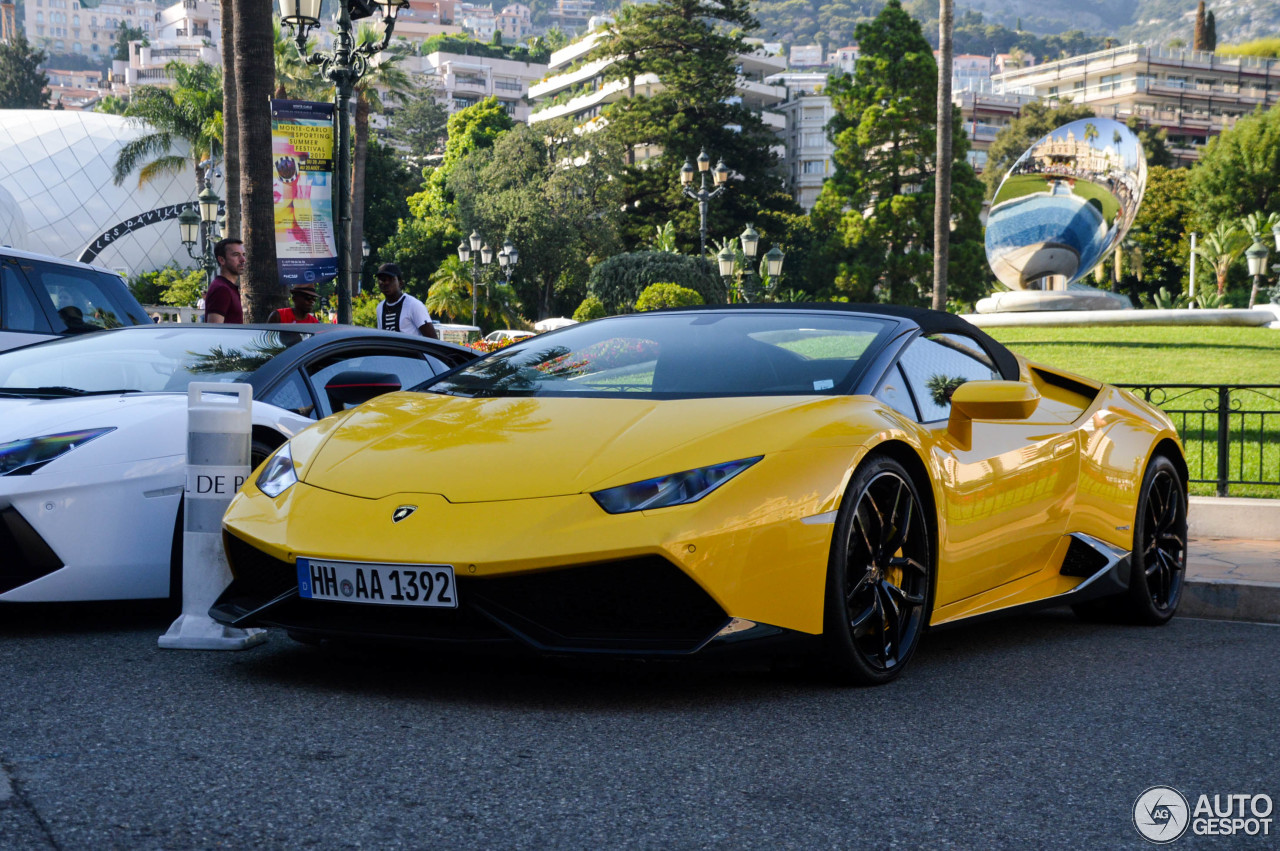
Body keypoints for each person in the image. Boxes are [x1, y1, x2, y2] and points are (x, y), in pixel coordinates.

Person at [374, 262, 437, 338]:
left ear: (400, 283)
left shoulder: (413, 305)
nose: (386, 283)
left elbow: (432, 339)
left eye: (391, 279)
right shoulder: (380, 308)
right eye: (382, 280)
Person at [204, 238, 246, 324]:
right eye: (236, 255)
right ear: (221, 260)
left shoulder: (227, 287)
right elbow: (215, 330)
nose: (243, 260)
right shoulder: (221, 289)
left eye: (243, 254)